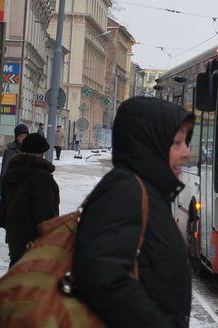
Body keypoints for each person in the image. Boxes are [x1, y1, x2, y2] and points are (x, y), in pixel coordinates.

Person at [73, 97, 195, 327]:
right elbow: (102, 275)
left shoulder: (147, 190)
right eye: (177, 143)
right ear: (151, 146)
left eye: (186, 143)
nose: (186, 152)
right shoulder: (127, 190)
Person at [0, 133, 60, 267]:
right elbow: (44, 213)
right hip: (35, 239)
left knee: (16, 272)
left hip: (15, 235)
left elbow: (4, 204)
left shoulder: (11, 171)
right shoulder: (42, 177)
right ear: (42, 153)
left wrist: (6, 223)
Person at [0, 124, 29, 195]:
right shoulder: (10, 151)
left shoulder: (30, 150)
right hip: (13, 188)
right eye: (21, 136)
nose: (24, 138)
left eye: (26, 136)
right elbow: (4, 172)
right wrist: (2, 190)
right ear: (16, 137)